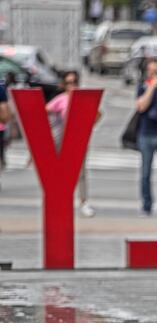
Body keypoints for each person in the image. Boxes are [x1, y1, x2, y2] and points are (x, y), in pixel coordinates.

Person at [46, 71, 97, 217]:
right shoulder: (60, 99)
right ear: (64, 85)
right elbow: (44, 112)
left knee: (81, 173)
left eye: (74, 82)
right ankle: (60, 200)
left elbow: (96, 114)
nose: (72, 85)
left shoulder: (82, 98)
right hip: (62, 139)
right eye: (68, 83)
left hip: (78, 138)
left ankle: (83, 201)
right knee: (60, 172)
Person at [135, 59, 157, 216]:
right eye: (152, 72)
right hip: (147, 133)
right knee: (146, 172)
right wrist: (152, 87)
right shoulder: (143, 87)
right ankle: (147, 205)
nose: (156, 76)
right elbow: (141, 106)